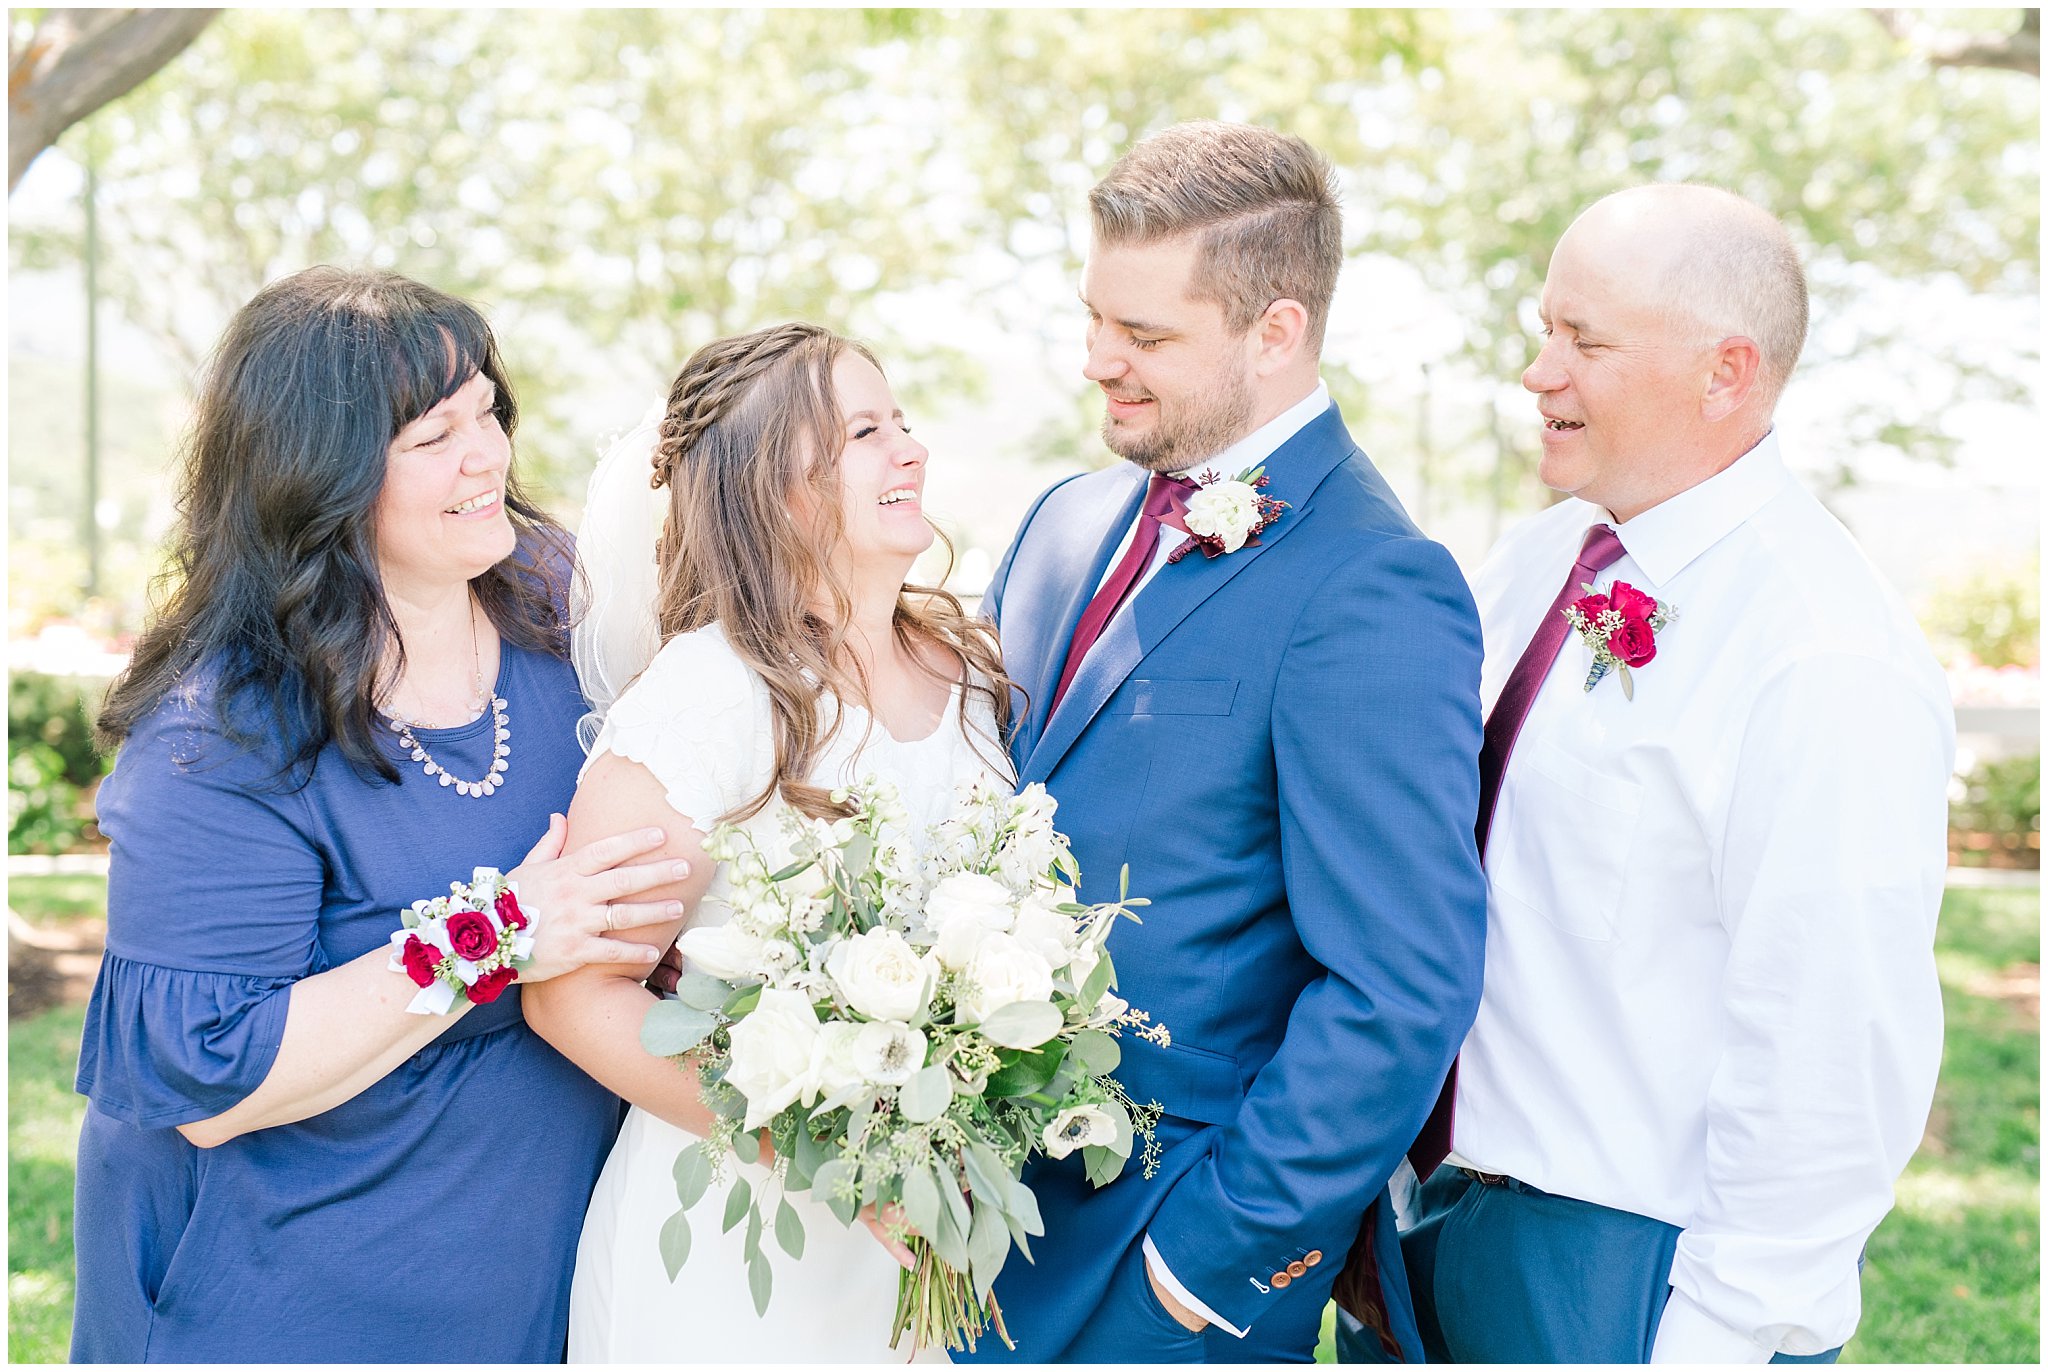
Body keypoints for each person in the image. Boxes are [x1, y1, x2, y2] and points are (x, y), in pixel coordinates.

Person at [1336, 184, 1955, 1364]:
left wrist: (1726, 1331)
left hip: (1619, 1267)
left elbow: (1832, 1039)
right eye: (1542, 328)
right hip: (1422, 1227)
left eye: (1583, 340)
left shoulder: (1822, 651)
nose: (1535, 371)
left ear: (1724, 372)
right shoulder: (1535, 560)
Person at [72, 266, 689, 1363]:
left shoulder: (555, 599)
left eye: (488, 411)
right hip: (288, 1295)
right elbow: (213, 1083)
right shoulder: (220, 736)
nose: (487, 454)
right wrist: (499, 934)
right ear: (320, 475)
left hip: (531, 1272)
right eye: (433, 435)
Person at [955, 121, 1489, 1364]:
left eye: (1144, 338)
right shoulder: (1059, 517)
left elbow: (1398, 986)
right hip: (964, 1223)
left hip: (1161, 1258)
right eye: (1095, 318)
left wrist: (1206, 1265)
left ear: (1275, 331)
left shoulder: (1371, 581)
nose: (1099, 361)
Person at [520, 322, 1014, 1361]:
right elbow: (571, 995)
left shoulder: (964, 672)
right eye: (865, 433)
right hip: (737, 1242)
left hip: (921, 1234)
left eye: (904, 422)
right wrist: (833, 1152)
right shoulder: (706, 695)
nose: (910, 449)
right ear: (776, 492)